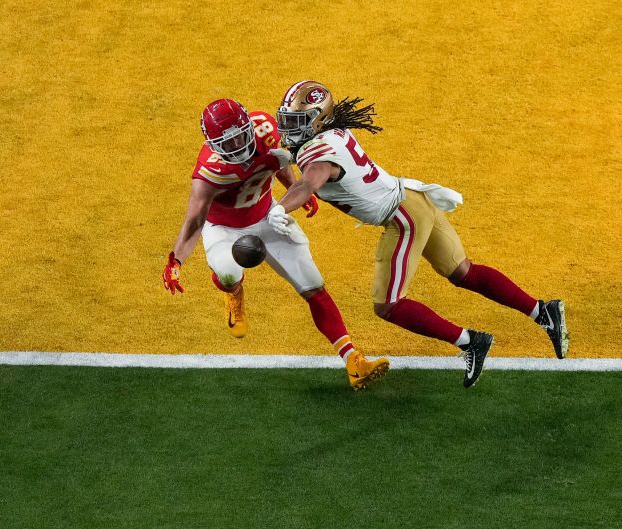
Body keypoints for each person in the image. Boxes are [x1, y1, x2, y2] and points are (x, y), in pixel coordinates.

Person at [273, 80, 568, 387]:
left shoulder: (317, 154)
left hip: (402, 216)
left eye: (296, 121)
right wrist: (287, 158)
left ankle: (471, 342)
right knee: (462, 271)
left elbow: (307, 183)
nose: (289, 128)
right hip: (415, 198)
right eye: (287, 120)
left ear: (319, 119)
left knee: (388, 306)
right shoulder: (333, 133)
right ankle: (542, 311)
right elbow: (311, 162)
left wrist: (280, 208)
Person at [162, 98, 389, 390]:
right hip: (224, 229)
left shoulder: (265, 129)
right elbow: (194, 221)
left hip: (269, 214)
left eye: (241, 135)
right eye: (227, 144)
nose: (238, 146)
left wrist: (293, 189)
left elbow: (277, 160)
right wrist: (175, 262)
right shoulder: (209, 173)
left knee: (313, 285)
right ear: (213, 145)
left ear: (248, 123)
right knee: (228, 272)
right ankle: (233, 293)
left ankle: (353, 361)